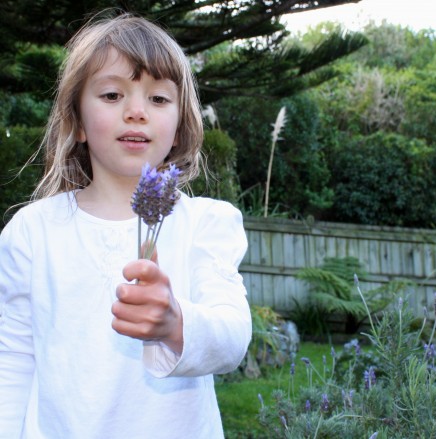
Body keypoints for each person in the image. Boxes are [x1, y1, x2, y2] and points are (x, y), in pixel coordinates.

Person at [0, 12, 252, 438]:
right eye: (114, 94)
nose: (136, 111)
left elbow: (232, 335)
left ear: (178, 128)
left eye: (157, 99)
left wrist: (175, 322)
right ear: (77, 122)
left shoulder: (207, 224)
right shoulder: (31, 232)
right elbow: (14, 359)